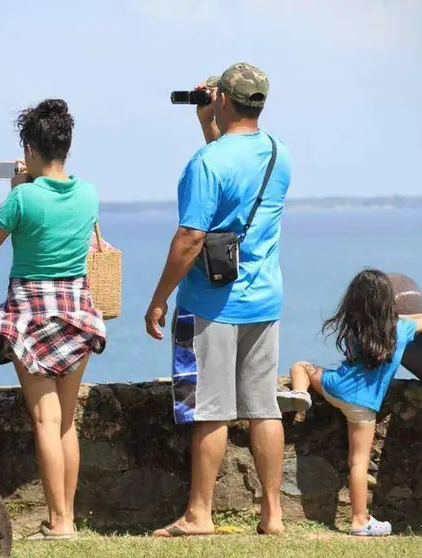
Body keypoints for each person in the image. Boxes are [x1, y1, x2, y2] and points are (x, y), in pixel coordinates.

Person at [0, 98, 107, 541]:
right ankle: (66, 515)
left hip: (31, 311)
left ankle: (60, 523)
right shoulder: (89, 193)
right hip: (78, 309)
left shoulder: (23, 198)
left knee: (45, 422)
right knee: (66, 420)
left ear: (29, 148)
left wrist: (15, 187)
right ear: (65, 147)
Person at [144, 62, 291, 536]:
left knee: (209, 410)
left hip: (210, 303)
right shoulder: (277, 154)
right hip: (264, 299)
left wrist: (159, 298)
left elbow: (190, 237)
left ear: (222, 99)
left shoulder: (206, 163)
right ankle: (273, 515)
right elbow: (235, 185)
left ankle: (198, 514)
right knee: (263, 407)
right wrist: (209, 123)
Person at [277, 269, 422, 536]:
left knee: (301, 366)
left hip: (334, 388)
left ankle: (301, 394)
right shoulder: (401, 328)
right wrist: (397, 317)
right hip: (363, 406)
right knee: (358, 462)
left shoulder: (355, 327)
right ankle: (359, 520)